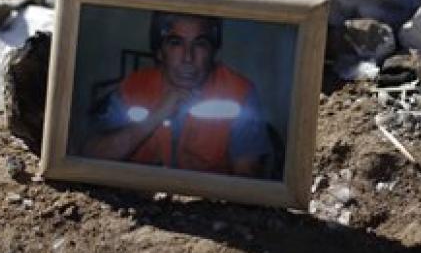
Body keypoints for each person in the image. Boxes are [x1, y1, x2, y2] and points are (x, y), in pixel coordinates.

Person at [82, 12, 278, 178]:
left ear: (213, 52)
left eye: (200, 44)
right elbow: (90, 155)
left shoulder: (239, 92)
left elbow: (247, 179)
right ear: (159, 52)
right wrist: (156, 116)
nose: (188, 58)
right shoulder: (134, 86)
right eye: (176, 43)